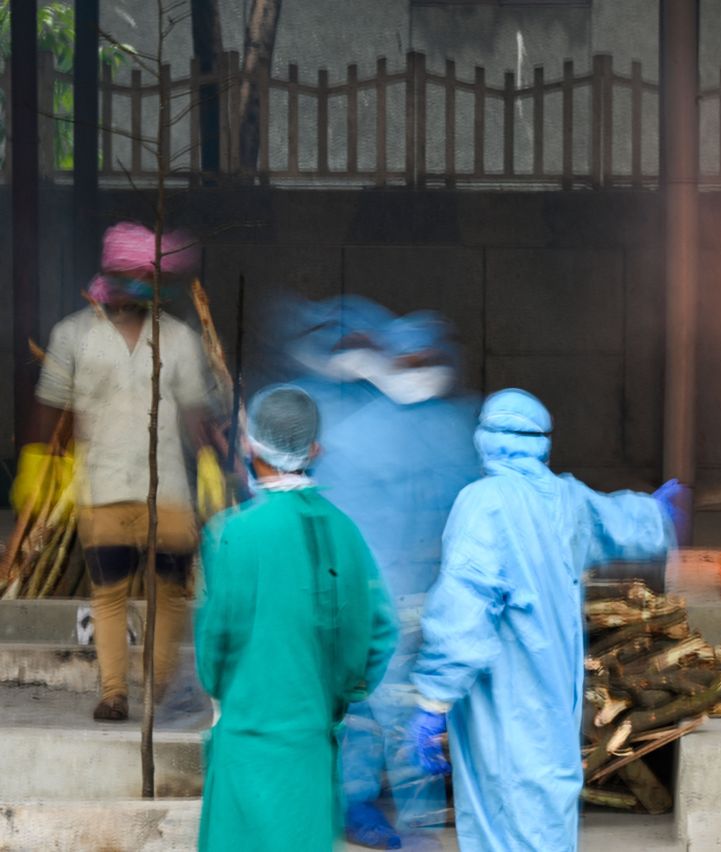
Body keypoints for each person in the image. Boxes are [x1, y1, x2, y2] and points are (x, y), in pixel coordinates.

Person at [409, 388, 687, 851]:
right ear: (542, 441)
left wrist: (433, 700)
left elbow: (464, 610)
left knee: (504, 821)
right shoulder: (567, 499)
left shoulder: (482, 503)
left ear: (485, 439)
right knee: (548, 819)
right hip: (553, 703)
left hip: (504, 708)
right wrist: (660, 511)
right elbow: (619, 521)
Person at [282, 295, 481, 848]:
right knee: (368, 709)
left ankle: (413, 811)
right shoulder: (348, 427)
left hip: (423, 593)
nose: (416, 370)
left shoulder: (450, 424)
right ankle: (360, 803)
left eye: (425, 359)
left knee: (410, 707)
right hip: (360, 592)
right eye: (408, 360)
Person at [11, 222, 224, 721]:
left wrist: (215, 461)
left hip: (167, 490)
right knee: (108, 594)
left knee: (169, 593)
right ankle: (113, 692)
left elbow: (196, 415)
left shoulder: (179, 339)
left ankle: (159, 687)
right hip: (102, 488)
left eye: (146, 275)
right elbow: (49, 409)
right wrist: (36, 466)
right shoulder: (73, 334)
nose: (139, 284)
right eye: (130, 273)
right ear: (110, 271)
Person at [195, 384, 398, 852]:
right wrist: (339, 696)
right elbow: (381, 631)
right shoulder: (346, 531)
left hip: (250, 739)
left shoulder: (234, 534)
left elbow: (216, 647)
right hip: (312, 742)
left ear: (249, 445)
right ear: (314, 450)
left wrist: (234, 691)